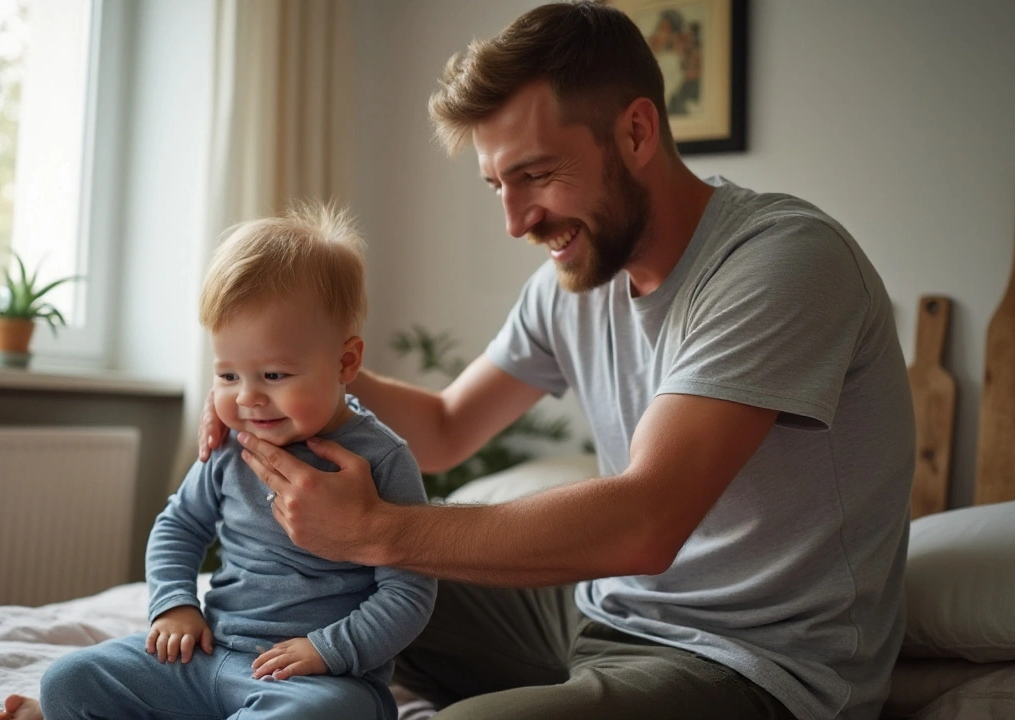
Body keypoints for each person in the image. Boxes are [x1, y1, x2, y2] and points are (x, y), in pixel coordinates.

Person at [201, 2, 914, 719]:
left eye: (537, 175)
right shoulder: (574, 282)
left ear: (637, 131)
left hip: (755, 666)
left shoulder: (781, 261)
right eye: (497, 185)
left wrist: (376, 529)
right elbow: (448, 427)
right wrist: (287, 382)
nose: (516, 220)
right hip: (598, 617)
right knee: (317, 591)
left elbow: (647, 521)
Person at [0, 204, 436, 720]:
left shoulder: (382, 459)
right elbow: (178, 526)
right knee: (68, 680)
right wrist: (176, 605)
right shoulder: (231, 444)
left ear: (346, 362)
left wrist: (328, 650)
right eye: (227, 375)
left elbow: (409, 592)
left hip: (315, 681)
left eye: (273, 375)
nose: (247, 398)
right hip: (209, 659)